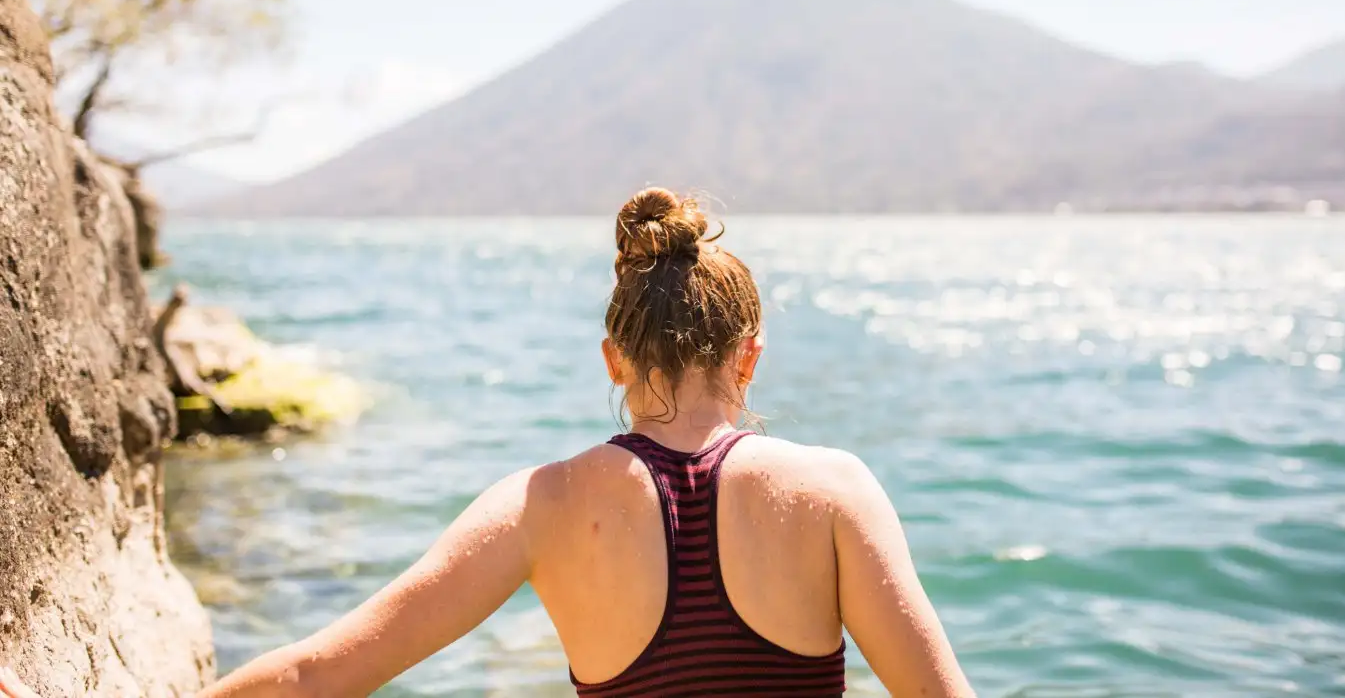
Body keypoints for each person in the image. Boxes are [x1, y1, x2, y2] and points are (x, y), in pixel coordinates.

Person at [1, 188, 974, 698]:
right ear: (749, 357)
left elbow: (321, 673)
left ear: (613, 354)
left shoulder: (543, 505)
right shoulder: (833, 489)